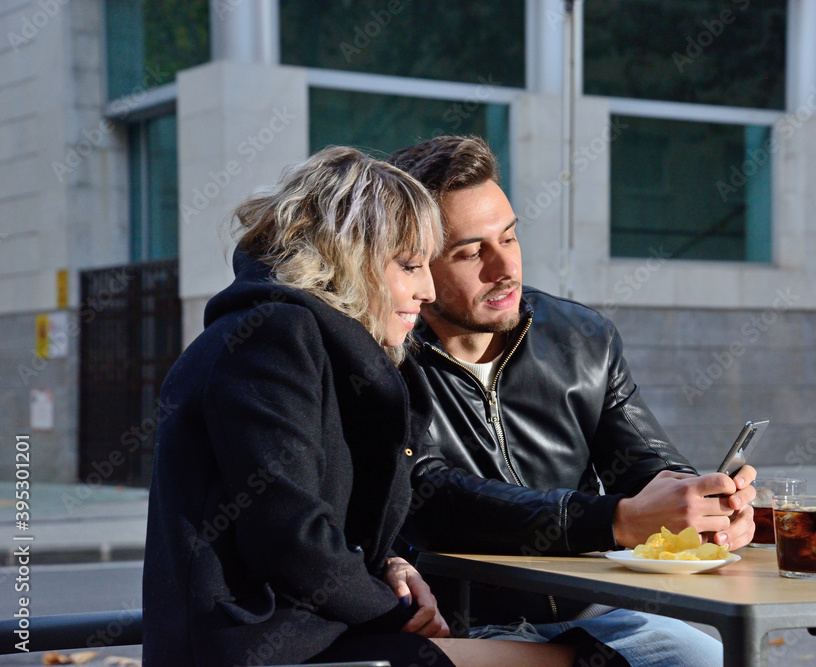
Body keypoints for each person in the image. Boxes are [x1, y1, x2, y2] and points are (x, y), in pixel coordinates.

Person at [142, 146, 596, 666]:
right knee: (587, 661)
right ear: (346, 257)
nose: (427, 291)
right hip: (270, 649)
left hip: (319, 638)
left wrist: (390, 566)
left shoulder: (323, 347)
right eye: (410, 266)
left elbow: (331, 522)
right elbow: (287, 534)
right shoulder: (273, 335)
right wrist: (391, 610)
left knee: (589, 654)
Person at [389, 136, 758, 667]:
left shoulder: (581, 337)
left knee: (709, 658)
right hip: (464, 625)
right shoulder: (386, 354)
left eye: (510, 238)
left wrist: (703, 505)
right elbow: (436, 499)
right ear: (416, 266)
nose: (504, 268)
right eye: (471, 252)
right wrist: (616, 521)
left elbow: (645, 467)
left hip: (600, 617)